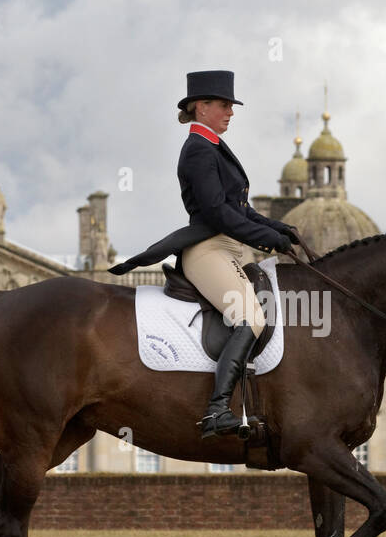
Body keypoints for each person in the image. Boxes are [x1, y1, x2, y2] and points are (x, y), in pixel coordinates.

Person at [109, 70, 299, 438]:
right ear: (202, 107)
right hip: (208, 248)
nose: (231, 111)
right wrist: (265, 236)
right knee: (251, 318)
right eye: (224, 105)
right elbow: (217, 213)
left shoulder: (213, 146)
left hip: (231, 246)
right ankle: (215, 411)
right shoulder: (198, 149)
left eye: (231, 105)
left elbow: (239, 209)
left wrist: (278, 228)